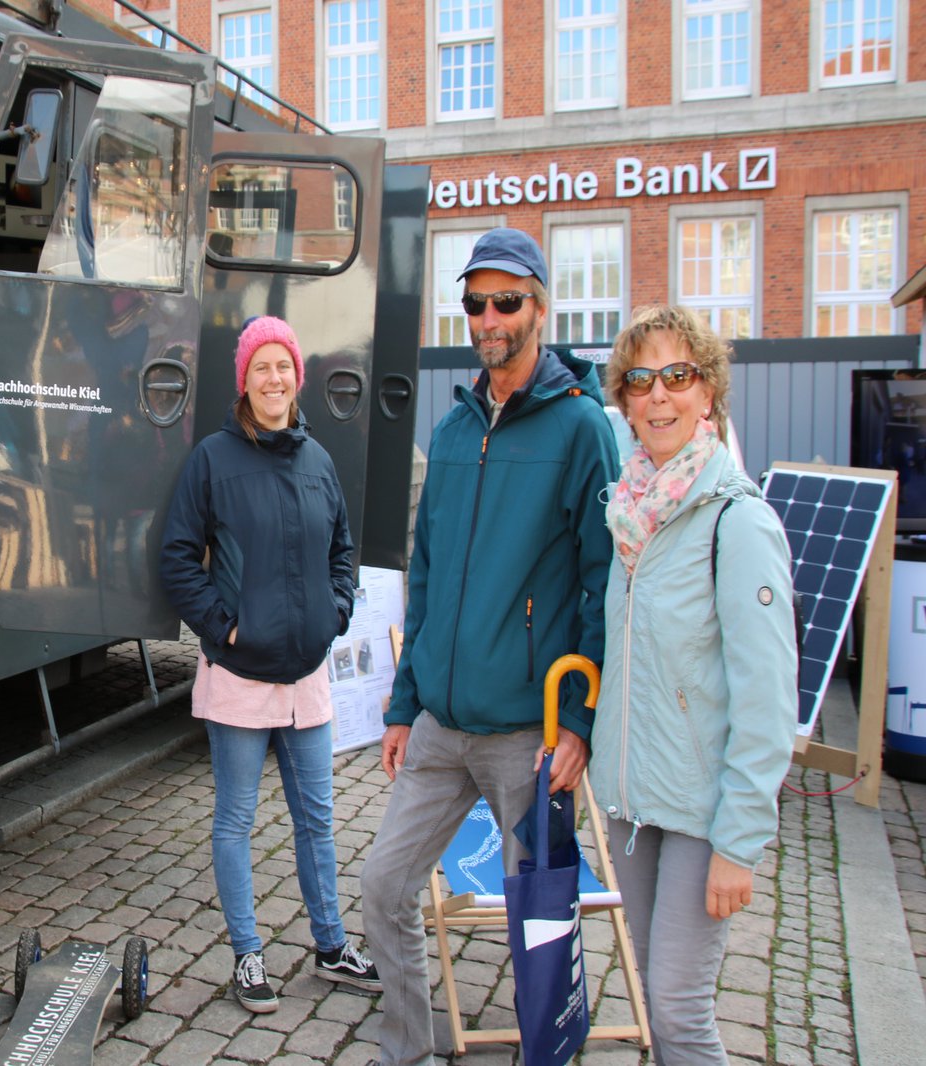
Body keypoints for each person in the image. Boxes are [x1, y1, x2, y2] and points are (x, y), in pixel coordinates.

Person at [360, 227, 619, 1065]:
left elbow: (600, 579)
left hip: (527, 733)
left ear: (540, 307)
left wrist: (578, 717)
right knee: (383, 886)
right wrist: (403, 705)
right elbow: (426, 575)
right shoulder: (458, 423)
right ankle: (408, 1048)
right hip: (441, 723)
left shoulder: (581, 428)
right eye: (475, 302)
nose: (489, 316)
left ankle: (546, 1053)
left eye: (507, 300)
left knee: (538, 918)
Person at [590, 305, 797, 1063]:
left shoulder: (735, 522)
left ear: (707, 392)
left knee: (678, 1012)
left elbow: (770, 702)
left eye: (677, 376)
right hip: (633, 808)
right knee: (651, 993)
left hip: (703, 816)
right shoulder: (631, 514)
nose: (658, 396)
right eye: (640, 380)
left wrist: (740, 844)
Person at [160, 315, 379, 1013]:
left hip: (307, 676)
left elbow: (342, 547)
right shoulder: (213, 461)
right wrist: (223, 631)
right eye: (262, 368)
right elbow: (177, 557)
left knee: (318, 818)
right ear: (245, 381)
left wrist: (335, 612)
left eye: (284, 366)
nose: (274, 379)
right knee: (236, 821)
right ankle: (248, 956)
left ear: (297, 377)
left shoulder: (318, 461)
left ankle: (331, 944)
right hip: (239, 679)